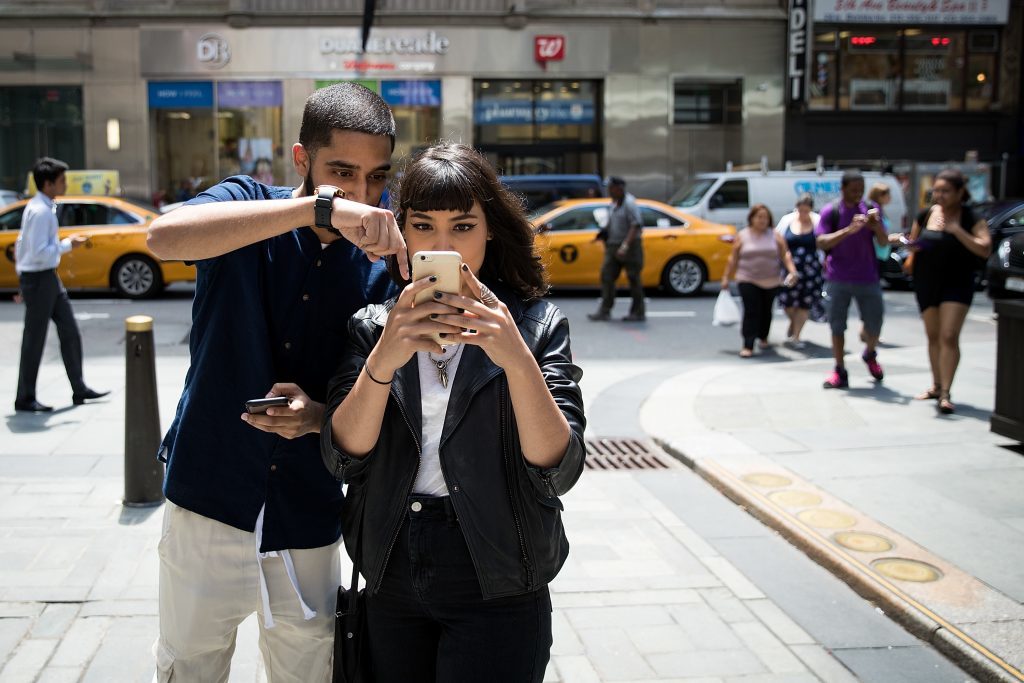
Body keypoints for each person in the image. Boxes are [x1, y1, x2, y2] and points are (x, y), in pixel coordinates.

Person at [145, 83, 407, 683]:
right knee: (188, 666)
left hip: (309, 507)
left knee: (307, 672)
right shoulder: (247, 203)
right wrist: (317, 209)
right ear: (301, 160)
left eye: (376, 177)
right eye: (342, 173)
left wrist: (318, 416)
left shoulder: (384, 259)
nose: (362, 196)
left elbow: (387, 398)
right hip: (208, 494)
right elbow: (163, 238)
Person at [322, 143, 586, 682]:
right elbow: (342, 458)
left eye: (463, 227)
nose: (444, 246)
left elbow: (558, 468)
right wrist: (385, 358)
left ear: (490, 229)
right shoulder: (375, 326)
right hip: (392, 563)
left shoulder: (534, 325)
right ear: (404, 234)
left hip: (500, 571)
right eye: (423, 226)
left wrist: (514, 357)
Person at [14, 157, 108, 412]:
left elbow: (24, 247)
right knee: (35, 339)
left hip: (45, 279)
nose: (65, 184)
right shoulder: (41, 211)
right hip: (40, 278)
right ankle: (25, 397)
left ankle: (79, 388)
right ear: (47, 184)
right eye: (61, 180)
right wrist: (68, 245)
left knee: (70, 331)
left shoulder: (43, 207)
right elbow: (37, 252)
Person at [906, 169, 990, 414]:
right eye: (936, 191)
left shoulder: (970, 217)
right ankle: (936, 385)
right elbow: (914, 244)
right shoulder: (925, 214)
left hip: (958, 281)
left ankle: (946, 393)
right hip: (926, 281)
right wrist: (906, 244)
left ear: (959, 193)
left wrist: (956, 231)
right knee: (933, 336)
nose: (939, 195)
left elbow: (984, 248)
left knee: (949, 335)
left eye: (945, 191)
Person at [816, 170, 890, 389]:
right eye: (853, 190)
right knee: (837, 326)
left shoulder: (870, 211)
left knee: (875, 322)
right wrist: (849, 230)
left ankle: (870, 353)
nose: (858, 194)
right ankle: (840, 369)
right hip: (838, 277)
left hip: (868, 277)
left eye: (861, 189)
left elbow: (884, 243)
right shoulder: (832, 212)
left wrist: (876, 226)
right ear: (843, 188)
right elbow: (821, 242)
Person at [721, 204, 799, 357]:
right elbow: (733, 258)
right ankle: (748, 344)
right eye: (759, 217)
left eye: (765, 217)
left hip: (771, 279)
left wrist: (792, 271)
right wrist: (726, 277)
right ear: (752, 218)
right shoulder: (743, 235)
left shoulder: (774, 235)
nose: (762, 220)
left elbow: (785, 255)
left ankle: (763, 337)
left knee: (766, 310)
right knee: (751, 311)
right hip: (747, 278)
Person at [588, 176, 645, 322]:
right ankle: (605, 310)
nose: (608, 190)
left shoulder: (629, 203)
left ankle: (638, 312)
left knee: (633, 278)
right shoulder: (613, 203)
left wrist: (625, 246)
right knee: (607, 275)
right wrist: (603, 233)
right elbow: (612, 222)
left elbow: (635, 225)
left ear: (619, 189)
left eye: (611, 188)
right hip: (613, 245)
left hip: (629, 247)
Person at [775, 193, 823, 348]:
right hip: (789, 267)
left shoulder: (817, 221)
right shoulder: (787, 220)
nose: (803, 214)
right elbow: (779, 241)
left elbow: (823, 244)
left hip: (811, 269)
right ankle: (793, 323)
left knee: (805, 303)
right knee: (787, 301)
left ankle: (796, 335)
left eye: (806, 210)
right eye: (800, 210)